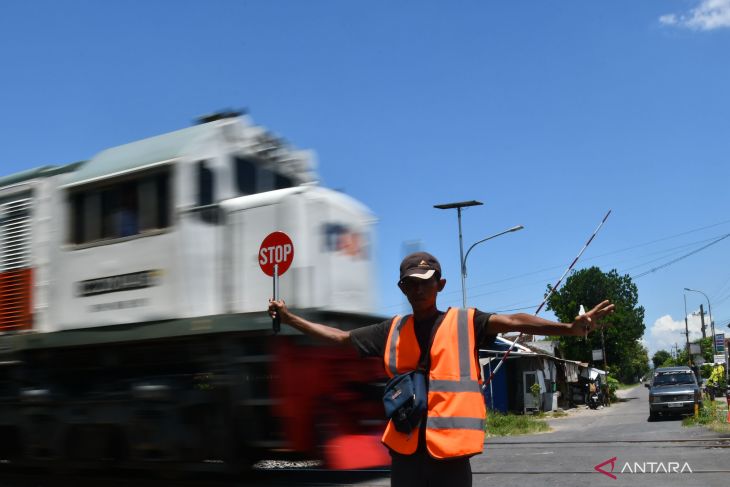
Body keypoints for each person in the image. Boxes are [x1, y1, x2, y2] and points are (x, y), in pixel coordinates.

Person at [268, 251, 614, 487]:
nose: (419, 289)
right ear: (402, 288)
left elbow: (513, 320)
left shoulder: (466, 322)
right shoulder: (391, 329)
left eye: (426, 281)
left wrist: (569, 327)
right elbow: (341, 339)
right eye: (411, 283)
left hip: (450, 455)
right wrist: (290, 318)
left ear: (440, 285)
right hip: (406, 454)